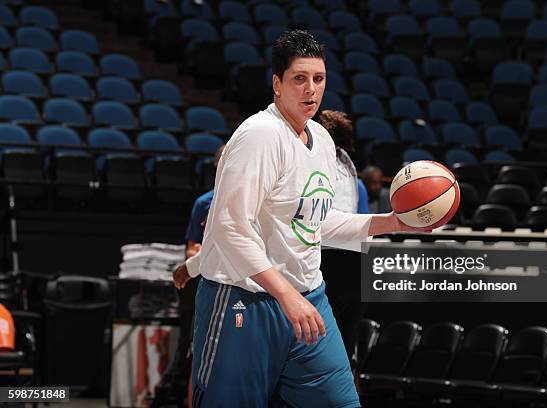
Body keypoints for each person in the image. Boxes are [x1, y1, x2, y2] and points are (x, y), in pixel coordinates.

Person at [173, 30, 426, 408]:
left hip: (309, 299)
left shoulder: (322, 140)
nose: (311, 89)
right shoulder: (259, 135)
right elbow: (229, 227)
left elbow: (316, 223)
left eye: (318, 79)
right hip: (245, 299)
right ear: (277, 84)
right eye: (299, 78)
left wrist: (390, 222)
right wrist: (283, 294)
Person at [154, 145, 224, 408]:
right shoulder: (206, 202)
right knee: (195, 344)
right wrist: (192, 265)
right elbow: (196, 246)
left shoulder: (354, 186)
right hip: (209, 280)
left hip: (329, 275)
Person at [317, 109, 368, 371]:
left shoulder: (318, 156)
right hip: (355, 257)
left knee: (317, 345)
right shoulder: (347, 160)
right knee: (346, 348)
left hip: (329, 255)